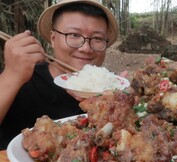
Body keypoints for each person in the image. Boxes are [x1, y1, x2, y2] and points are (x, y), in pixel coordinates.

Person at [0, 0, 119, 149]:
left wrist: (122, 102)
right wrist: (12, 74)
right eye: (74, 35)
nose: (86, 48)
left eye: (97, 39)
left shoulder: (113, 88)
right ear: (53, 38)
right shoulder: (23, 77)